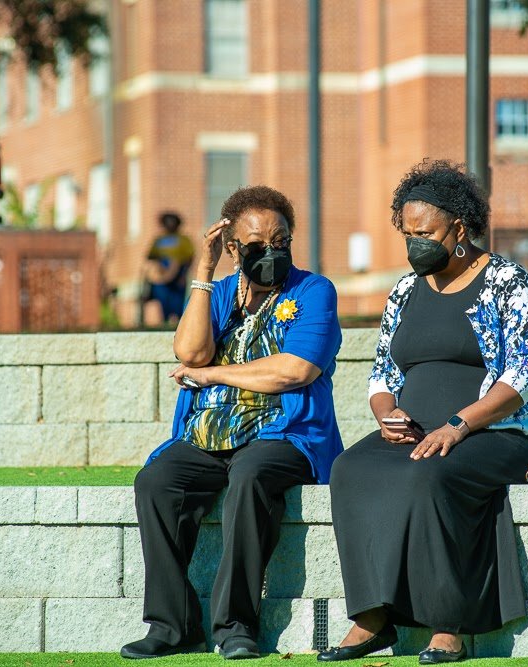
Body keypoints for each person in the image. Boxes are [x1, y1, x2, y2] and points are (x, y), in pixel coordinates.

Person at [318, 160, 528, 665]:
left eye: (425, 232)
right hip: (414, 430)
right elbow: (382, 373)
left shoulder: (508, 282)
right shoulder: (405, 289)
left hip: (495, 431)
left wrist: (459, 425)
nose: (414, 244)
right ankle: (372, 617)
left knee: (430, 478)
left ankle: (449, 626)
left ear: (459, 228)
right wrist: (386, 414)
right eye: (407, 234)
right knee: (350, 470)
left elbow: (523, 375)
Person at [121, 186, 344, 661]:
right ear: (233, 249)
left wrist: (211, 375)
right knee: (158, 481)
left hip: (284, 432)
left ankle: (236, 625)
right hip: (209, 431)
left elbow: (297, 370)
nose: (272, 251)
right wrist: (202, 272)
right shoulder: (221, 292)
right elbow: (190, 352)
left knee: (250, 476)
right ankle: (173, 624)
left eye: (281, 240)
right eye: (257, 245)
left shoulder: (314, 291)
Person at [144, 211, 196, 323]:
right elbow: (150, 256)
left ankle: (179, 322)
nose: (170, 224)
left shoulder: (184, 240)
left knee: (177, 301)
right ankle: (165, 321)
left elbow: (189, 257)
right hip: (161, 274)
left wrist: (183, 274)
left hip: (179, 273)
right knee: (163, 300)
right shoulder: (158, 240)